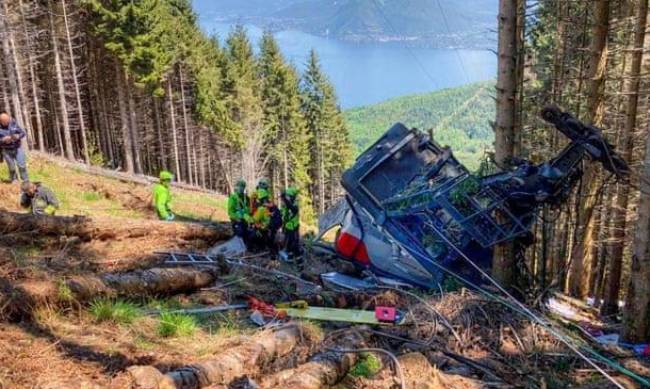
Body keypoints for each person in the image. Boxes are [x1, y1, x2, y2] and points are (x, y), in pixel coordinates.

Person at [251, 187, 281, 259]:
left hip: (266, 229)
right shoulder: (271, 205)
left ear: (260, 198)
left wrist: (245, 216)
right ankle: (273, 250)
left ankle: (259, 248)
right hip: (272, 229)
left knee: (251, 234)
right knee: (270, 239)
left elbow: (253, 219)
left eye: (257, 199)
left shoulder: (262, 208)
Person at [0, 112, 28, 183]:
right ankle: (14, 180)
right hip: (6, 150)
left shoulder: (13, 122)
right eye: (4, 122)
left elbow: (23, 133)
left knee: (22, 165)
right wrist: (3, 140)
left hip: (18, 148)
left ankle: (25, 181)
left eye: (7, 120)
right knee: (11, 167)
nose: (7, 122)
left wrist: (18, 136)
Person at [281, 187, 301, 260]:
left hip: (294, 227)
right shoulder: (286, 205)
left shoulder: (295, 205)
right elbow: (284, 214)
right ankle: (290, 255)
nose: (287, 197)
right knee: (288, 243)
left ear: (293, 197)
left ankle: (298, 260)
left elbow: (292, 209)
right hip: (287, 227)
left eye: (288, 196)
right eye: (287, 196)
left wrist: (285, 199)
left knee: (294, 243)